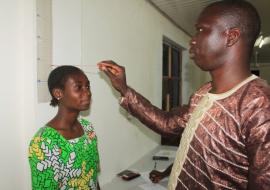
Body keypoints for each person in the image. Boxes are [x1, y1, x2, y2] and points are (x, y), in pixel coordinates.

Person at [98, 0, 270, 189]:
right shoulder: (203, 92)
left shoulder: (259, 103)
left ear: (231, 37)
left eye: (201, 30)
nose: (193, 40)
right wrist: (124, 89)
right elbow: (168, 124)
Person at [28, 66, 100, 190]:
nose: (87, 93)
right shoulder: (44, 143)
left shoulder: (88, 129)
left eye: (87, 86)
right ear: (58, 93)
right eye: (78, 87)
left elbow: (92, 177)